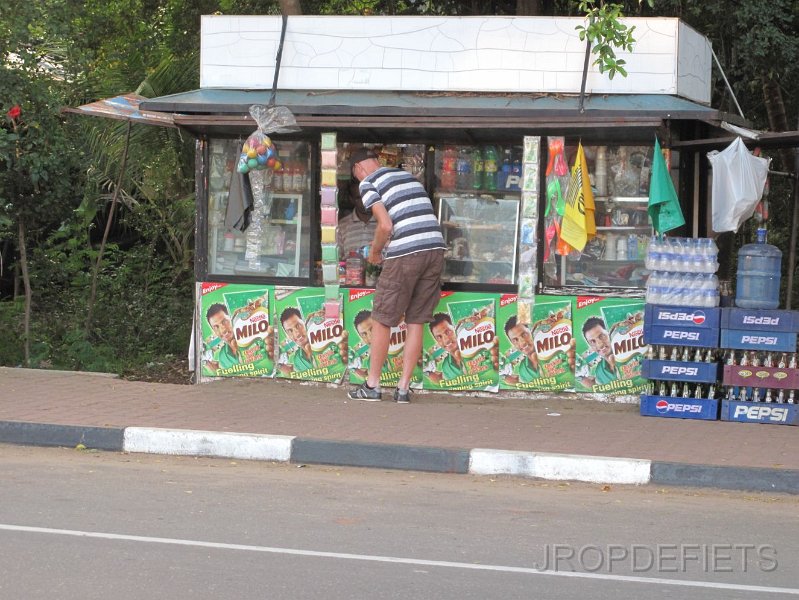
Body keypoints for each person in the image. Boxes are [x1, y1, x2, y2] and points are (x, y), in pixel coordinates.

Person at [347, 147, 446, 403]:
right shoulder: (408, 177)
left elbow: (386, 224)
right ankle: (403, 389)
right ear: (377, 161)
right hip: (435, 249)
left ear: (358, 169)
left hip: (406, 253)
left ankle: (372, 385)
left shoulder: (369, 182)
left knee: (382, 318)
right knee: (416, 320)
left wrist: (376, 253)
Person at [205, 303, 273, 372]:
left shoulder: (256, 338)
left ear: (231, 319)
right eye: (216, 327)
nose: (223, 330)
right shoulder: (222, 356)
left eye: (225, 321)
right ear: (213, 331)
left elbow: (269, 369)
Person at [337, 177, 378, 258]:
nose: (365, 202)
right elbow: (338, 258)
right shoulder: (342, 226)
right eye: (359, 198)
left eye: (367, 196)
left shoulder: (384, 222)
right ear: (352, 199)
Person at [578, 316, 618, 387]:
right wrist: (579, 377)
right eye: (593, 341)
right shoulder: (600, 371)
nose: (600, 345)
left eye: (602, 336)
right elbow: (597, 386)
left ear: (610, 333)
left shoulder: (630, 355)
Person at [426, 312, 464, 383]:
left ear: (455, 328)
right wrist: (427, 372)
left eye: (448, 332)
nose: (446, 340)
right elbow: (443, 380)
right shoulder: (446, 366)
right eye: (439, 337)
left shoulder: (475, 350)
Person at [501, 315, 540, 385]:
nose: (522, 343)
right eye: (515, 340)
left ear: (531, 331)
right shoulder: (523, 369)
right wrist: (502, 376)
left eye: (524, 335)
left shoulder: (551, 352)